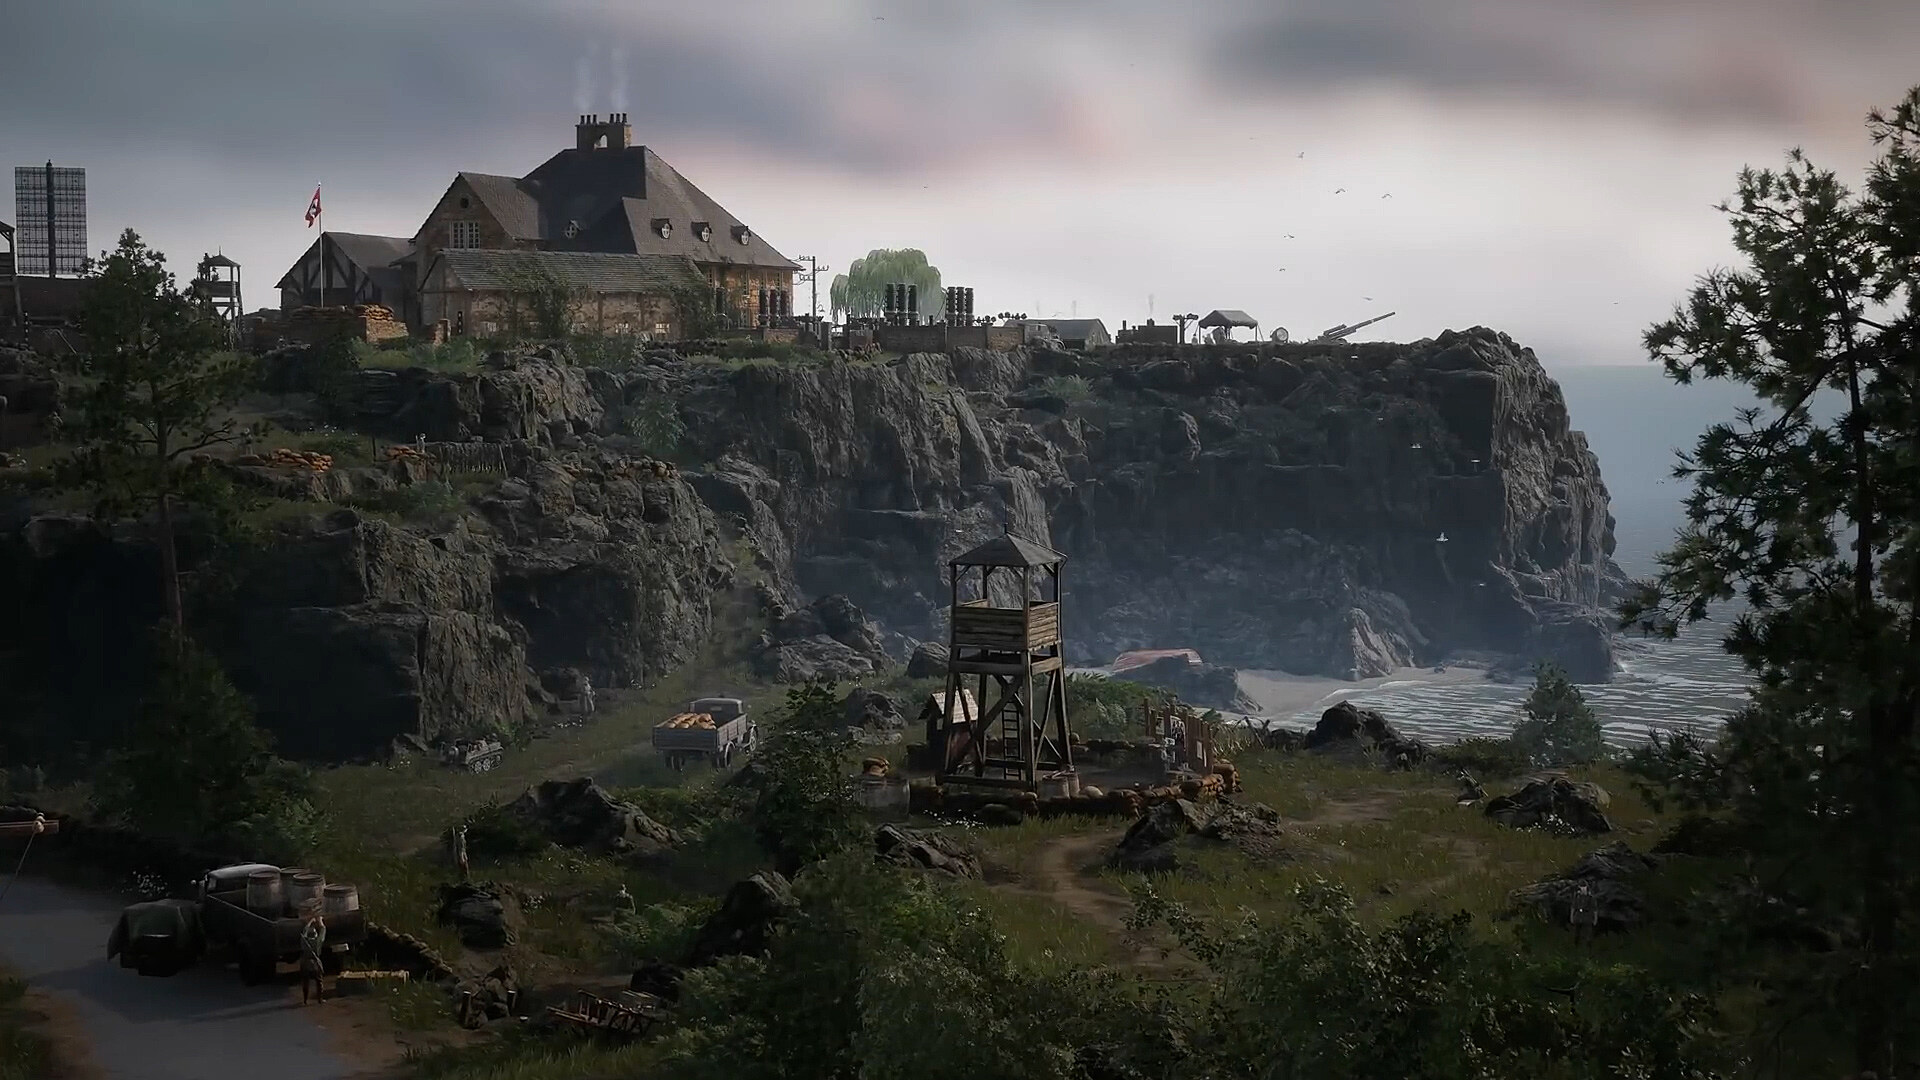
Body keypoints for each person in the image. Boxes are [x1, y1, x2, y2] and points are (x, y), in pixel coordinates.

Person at [299, 910, 327, 1005]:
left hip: (305, 963)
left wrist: (310, 921)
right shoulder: (317, 942)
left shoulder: (304, 941)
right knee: (319, 981)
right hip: (315, 963)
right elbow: (323, 930)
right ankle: (320, 999)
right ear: (315, 935)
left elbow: (304, 931)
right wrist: (320, 921)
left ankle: (305, 1000)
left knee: (305, 982)